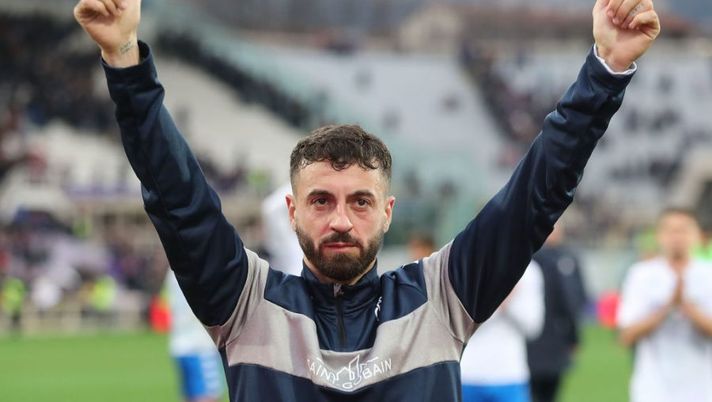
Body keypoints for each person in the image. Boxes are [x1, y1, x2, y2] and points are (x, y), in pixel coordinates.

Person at [72, 0, 660, 400]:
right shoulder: (245, 303)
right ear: (292, 211)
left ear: (388, 212)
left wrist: (606, 69)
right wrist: (124, 59)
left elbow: (535, 196)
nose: (340, 219)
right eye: (321, 200)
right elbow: (177, 199)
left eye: (359, 202)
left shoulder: (440, 297)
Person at [617, 208, 712, 402]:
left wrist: (688, 308)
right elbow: (626, 336)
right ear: (659, 236)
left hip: (701, 388)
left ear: (697, 236)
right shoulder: (641, 275)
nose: (677, 237)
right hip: (653, 389)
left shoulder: (707, 274)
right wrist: (667, 308)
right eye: (670, 230)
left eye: (683, 230)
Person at [460, 262, 544, 402]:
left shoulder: (529, 271)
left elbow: (533, 327)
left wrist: (507, 304)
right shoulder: (467, 263)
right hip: (468, 375)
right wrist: (498, 298)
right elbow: (460, 323)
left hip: (509, 374)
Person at [526, 225, 588, 402]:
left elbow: (577, 298)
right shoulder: (540, 259)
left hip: (546, 339)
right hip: (543, 340)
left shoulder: (567, 257)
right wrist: (574, 337)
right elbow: (569, 301)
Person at [165, 271, 224, 402]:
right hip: (200, 345)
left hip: (180, 343)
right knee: (208, 397)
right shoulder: (200, 268)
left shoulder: (173, 271)